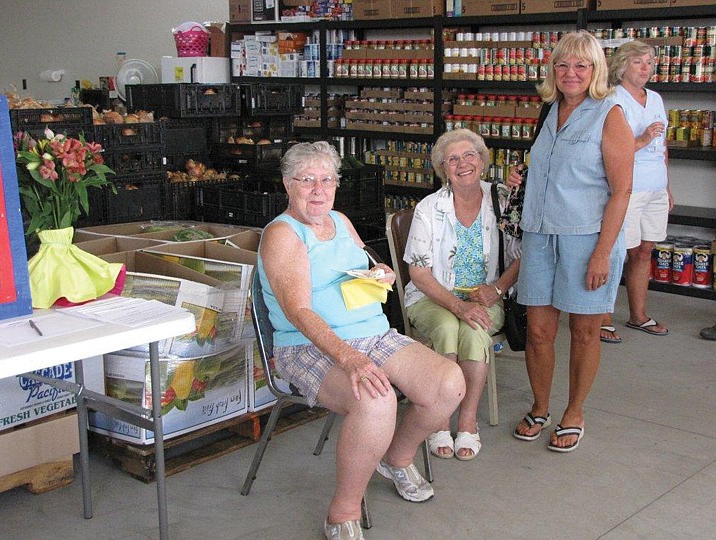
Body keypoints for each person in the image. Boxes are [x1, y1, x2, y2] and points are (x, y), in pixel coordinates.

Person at [258, 141, 465, 540]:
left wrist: (382, 272)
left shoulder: (339, 219)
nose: (318, 189)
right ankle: (343, 511)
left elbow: (366, 262)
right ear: (288, 184)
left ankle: (397, 458)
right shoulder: (284, 235)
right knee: (376, 400)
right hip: (308, 345)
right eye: (307, 180)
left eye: (327, 180)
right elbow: (299, 313)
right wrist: (349, 358)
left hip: (373, 333)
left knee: (448, 382)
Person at [509, 31, 634, 452]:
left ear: (596, 69)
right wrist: (521, 178)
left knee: (584, 332)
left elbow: (621, 192)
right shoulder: (548, 109)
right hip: (540, 235)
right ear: (552, 70)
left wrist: (603, 252)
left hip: (587, 239)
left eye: (581, 65)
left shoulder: (610, 114)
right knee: (539, 330)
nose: (571, 73)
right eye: (562, 65)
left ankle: (574, 411)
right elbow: (546, 170)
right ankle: (540, 406)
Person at [402, 129, 521, 461]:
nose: (462, 163)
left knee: (474, 330)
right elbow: (419, 274)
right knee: (447, 327)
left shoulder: (502, 198)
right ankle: (439, 417)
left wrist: (497, 289)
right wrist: (457, 305)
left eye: (469, 155)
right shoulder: (429, 208)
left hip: (487, 297)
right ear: (443, 168)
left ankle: (467, 420)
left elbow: (522, 255)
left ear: (482, 161)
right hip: (433, 296)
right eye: (452, 159)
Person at [597, 40, 673, 343]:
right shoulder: (612, 99)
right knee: (615, 254)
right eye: (639, 62)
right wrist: (641, 138)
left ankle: (638, 316)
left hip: (654, 186)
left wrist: (666, 186)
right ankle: (602, 317)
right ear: (623, 65)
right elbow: (607, 150)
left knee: (643, 252)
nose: (646, 68)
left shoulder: (655, 98)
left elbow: (663, 146)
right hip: (626, 189)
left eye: (650, 62)